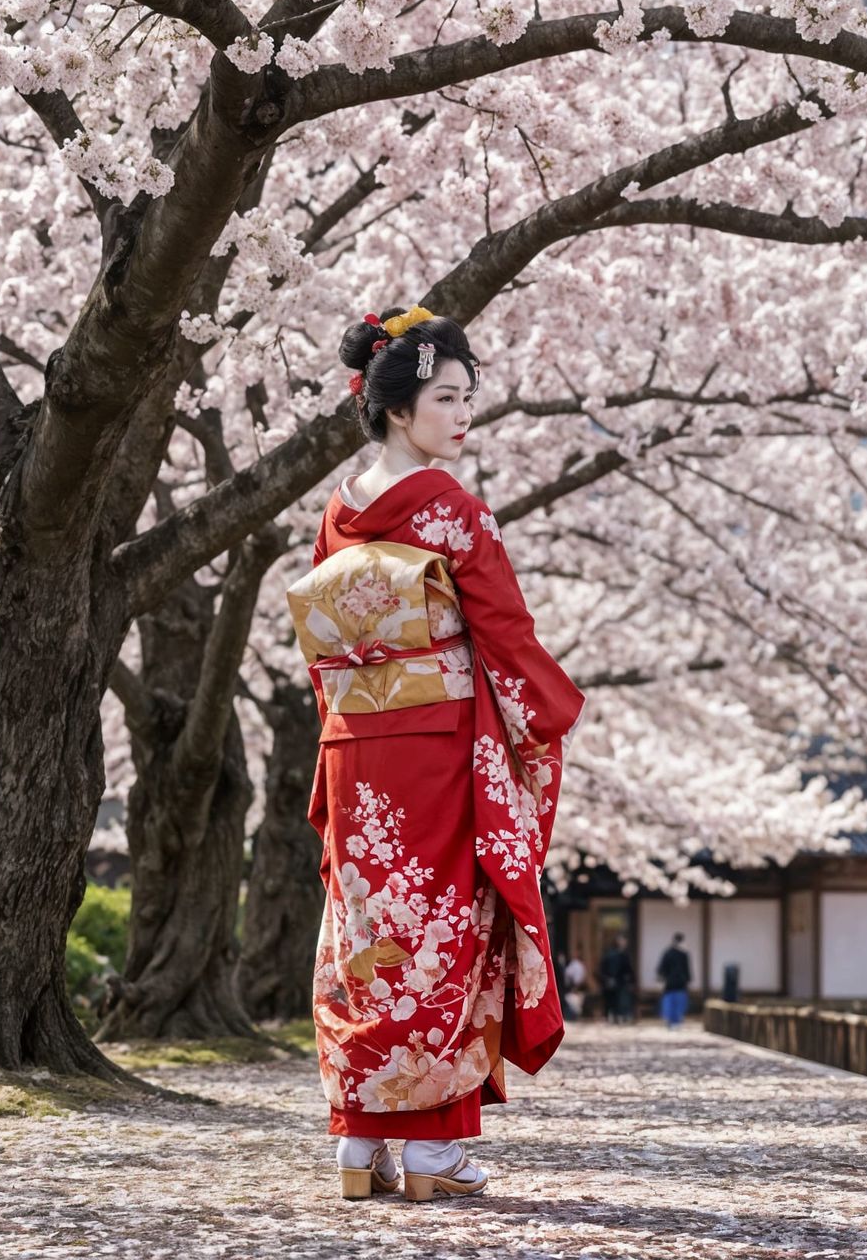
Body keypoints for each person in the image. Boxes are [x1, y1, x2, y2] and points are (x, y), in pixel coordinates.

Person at [289, 305, 586, 1204]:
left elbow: (325, 648)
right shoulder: (450, 509)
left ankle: (357, 1139)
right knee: (436, 927)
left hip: (355, 742)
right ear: (395, 408)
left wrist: (349, 724)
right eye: (446, 398)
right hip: (437, 745)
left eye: (469, 399)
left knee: (364, 932)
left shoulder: (339, 511)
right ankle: (427, 1150)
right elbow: (504, 629)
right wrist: (548, 712)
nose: (463, 416)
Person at [656, 932, 692, 1028]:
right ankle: (676, 1020)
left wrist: (661, 978)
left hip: (670, 982)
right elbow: (687, 969)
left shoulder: (668, 953)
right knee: (678, 1001)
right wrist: (688, 979)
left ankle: (671, 1020)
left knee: (670, 1001)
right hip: (680, 982)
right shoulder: (684, 954)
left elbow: (661, 968)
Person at [599, 934, 636, 1024]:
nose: (624, 943)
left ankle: (614, 1016)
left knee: (615, 1000)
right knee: (615, 1000)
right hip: (616, 981)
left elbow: (628, 970)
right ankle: (614, 1016)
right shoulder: (614, 954)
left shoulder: (621, 954)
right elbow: (627, 969)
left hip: (615, 981)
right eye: (622, 941)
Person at [562, 951, 587, 1021]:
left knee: (573, 1001)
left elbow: (567, 973)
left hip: (573, 985)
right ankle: (574, 1016)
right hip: (576, 985)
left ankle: (572, 1016)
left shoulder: (575, 964)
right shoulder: (579, 965)